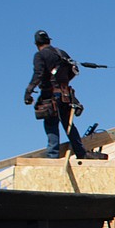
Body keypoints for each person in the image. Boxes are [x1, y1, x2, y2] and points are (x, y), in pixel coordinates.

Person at [24, 29, 87, 159]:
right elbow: (74, 70)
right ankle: (81, 153)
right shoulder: (61, 53)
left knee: (51, 125)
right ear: (49, 40)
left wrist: (28, 91)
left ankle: (53, 156)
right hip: (65, 96)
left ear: (36, 43)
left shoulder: (40, 55)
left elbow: (38, 74)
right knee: (68, 124)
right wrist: (62, 84)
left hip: (50, 96)